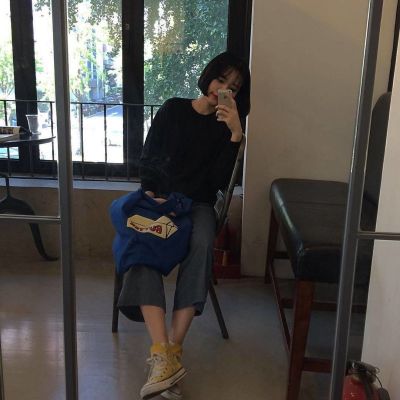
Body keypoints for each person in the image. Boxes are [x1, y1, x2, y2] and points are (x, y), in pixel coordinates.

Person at [117, 51, 251, 400]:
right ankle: (162, 351)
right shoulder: (173, 109)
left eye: (234, 87)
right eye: (221, 79)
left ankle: (171, 352)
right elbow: (149, 157)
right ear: (208, 77)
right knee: (142, 242)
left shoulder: (226, 129)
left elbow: (218, 183)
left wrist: (236, 135)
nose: (223, 89)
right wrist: (152, 194)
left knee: (202, 241)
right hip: (160, 198)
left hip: (198, 206)